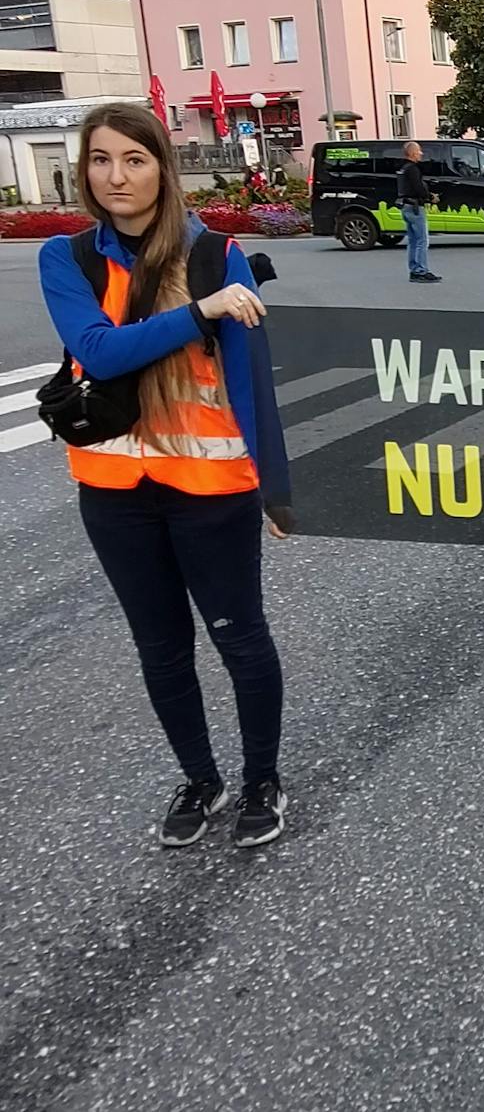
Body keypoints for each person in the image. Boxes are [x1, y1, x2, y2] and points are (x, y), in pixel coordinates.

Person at [37, 102, 295, 849]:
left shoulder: (217, 256)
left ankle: (261, 780)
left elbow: (252, 385)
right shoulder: (69, 258)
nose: (116, 176)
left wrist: (275, 488)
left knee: (239, 639)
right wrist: (200, 313)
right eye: (100, 160)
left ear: (162, 168)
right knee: (160, 647)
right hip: (114, 494)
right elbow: (101, 352)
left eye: (135, 159)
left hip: (212, 491)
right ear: (84, 170)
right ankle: (201, 779)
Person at [398, 140, 440, 283]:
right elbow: (418, 188)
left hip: (406, 207)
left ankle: (414, 270)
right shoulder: (413, 169)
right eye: (419, 151)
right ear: (413, 153)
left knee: (413, 241)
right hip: (415, 208)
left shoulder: (403, 168)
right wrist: (430, 198)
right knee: (422, 240)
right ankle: (421, 271)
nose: (421, 153)